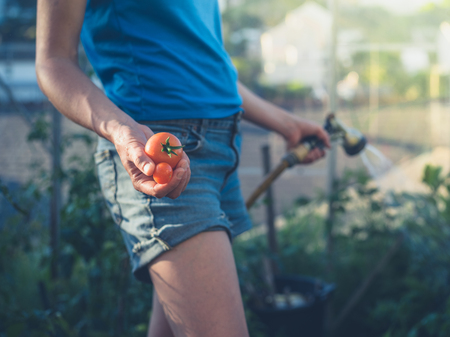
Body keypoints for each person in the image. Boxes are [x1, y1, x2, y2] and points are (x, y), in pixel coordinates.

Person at [36, 0, 330, 336]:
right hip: (155, 151)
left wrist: (285, 123)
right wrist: (120, 130)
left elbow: (201, 62)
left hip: (222, 146)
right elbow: (53, 60)